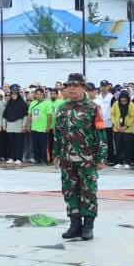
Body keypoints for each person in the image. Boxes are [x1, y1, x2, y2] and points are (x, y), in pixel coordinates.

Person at [54, 73, 106, 242]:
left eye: (76, 86)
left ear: (84, 88)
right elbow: (57, 134)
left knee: (88, 191)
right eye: (69, 86)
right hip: (67, 159)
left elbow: (101, 135)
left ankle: (88, 226)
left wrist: (101, 158)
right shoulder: (62, 108)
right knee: (69, 191)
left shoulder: (93, 108)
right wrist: (56, 154)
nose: (72, 89)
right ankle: (74, 225)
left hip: (87, 159)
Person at [111, 91, 134, 169]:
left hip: (127, 130)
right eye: (121, 101)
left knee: (128, 146)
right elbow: (112, 114)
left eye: (125, 101)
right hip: (117, 129)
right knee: (118, 146)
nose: (123, 102)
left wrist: (126, 126)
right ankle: (119, 162)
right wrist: (117, 125)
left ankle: (127, 162)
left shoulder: (131, 105)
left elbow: (133, 116)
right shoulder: (115, 104)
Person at [3, 89, 29, 165]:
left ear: (18, 95)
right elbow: (5, 115)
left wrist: (24, 125)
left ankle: (18, 158)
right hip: (10, 126)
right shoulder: (9, 103)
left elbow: (25, 116)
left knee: (19, 143)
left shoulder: (22, 104)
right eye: (12, 95)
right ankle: (12, 157)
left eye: (15, 94)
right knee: (11, 143)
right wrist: (4, 125)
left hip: (19, 126)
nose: (13, 96)